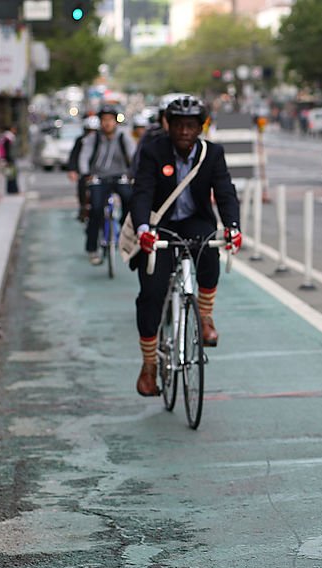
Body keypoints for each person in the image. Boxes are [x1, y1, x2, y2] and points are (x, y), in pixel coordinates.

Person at [130, 94, 242, 396]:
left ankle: (205, 317)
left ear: (200, 127)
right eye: (178, 125)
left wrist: (233, 227)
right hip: (160, 224)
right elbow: (141, 193)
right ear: (168, 125)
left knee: (209, 250)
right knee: (152, 292)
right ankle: (149, 366)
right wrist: (143, 229)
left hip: (195, 220)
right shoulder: (154, 152)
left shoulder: (212, 154)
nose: (184, 131)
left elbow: (226, 192)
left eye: (191, 125)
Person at [76, 105, 136, 265]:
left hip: (120, 176)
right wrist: (86, 173)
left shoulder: (124, 137)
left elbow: (134, 155)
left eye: (110, 120)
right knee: (95, 209)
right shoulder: (93, 138)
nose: (107, 123)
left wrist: (134, 173)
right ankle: (92, 249)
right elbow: (84, 156)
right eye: (104, 120)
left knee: (130, 200)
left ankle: (127, 235)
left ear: (116, 121)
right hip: (98, 178)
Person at [67, 115, 99, 222]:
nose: (91, 134)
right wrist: (73, 170)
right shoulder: (81, 141)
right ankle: (83, 208)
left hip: (101, 172)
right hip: (86, 172)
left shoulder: (103, 141)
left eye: (94, 131)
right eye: (89, 131)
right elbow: (74, 156)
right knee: (82, 186)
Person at [0, 124, 19, 194]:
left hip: (8, 159)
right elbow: (7, 150)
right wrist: (7, 160)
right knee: (11, 174)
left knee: (10, 174)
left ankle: (11, 189)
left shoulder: (7, 137)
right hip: (9, 159)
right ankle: (12, 190)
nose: (15, 131)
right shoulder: (9, 138)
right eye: (14, 129)